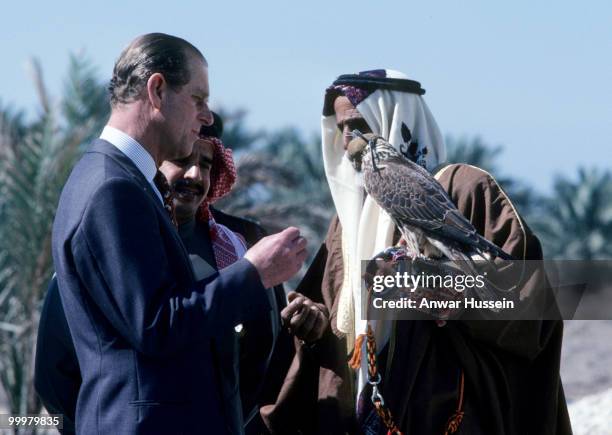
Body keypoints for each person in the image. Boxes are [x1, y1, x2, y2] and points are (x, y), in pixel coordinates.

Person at [262, 69, 571, 435]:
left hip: (447, 416)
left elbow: (532, 308)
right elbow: (335, 326)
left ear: (394, 120)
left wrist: (452, 293)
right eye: (340, 127)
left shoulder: (465, 189)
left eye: (359, 123)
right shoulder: (345, 225)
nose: (347, 139)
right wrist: (312, 325)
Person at [49, 33, 307, 434]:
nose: (207, 116)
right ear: (157, 90)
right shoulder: (112, 188)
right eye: (198, 99)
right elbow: (156, 325)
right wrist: (253, 271)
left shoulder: (123, 180)